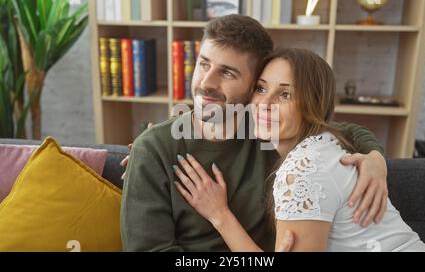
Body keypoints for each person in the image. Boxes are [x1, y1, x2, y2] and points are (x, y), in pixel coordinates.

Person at [121, 15, 389, 252]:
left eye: (227, 72)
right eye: (204, 64)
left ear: (253, 87)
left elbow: (346, 130)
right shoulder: (154, 149)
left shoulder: (270, 131)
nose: (206, 83)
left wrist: (376, 160)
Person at [173, 48, 425, 252]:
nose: (264, 104)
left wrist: (220, 215)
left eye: (284, 95)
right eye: (261, 88)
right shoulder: (325, 141)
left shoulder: (303, 170)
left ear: (312, 105)